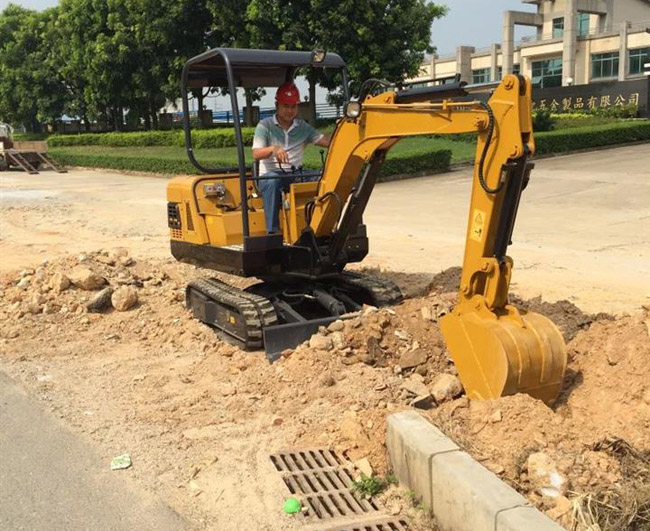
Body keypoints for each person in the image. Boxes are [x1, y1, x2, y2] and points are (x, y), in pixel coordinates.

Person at [252, 82, 330, 234]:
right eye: (286, 106)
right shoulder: (265, 126)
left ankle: (323, 224)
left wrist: (344, 131)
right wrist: (273, 149)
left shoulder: (303, 127)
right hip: (270, 176)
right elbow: (256, 154)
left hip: (295, 174)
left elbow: (326, 141)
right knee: (273, 180)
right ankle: (273, 232)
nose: (290, 110)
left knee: (325, 176)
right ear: (277, 105)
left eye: (293, 106)